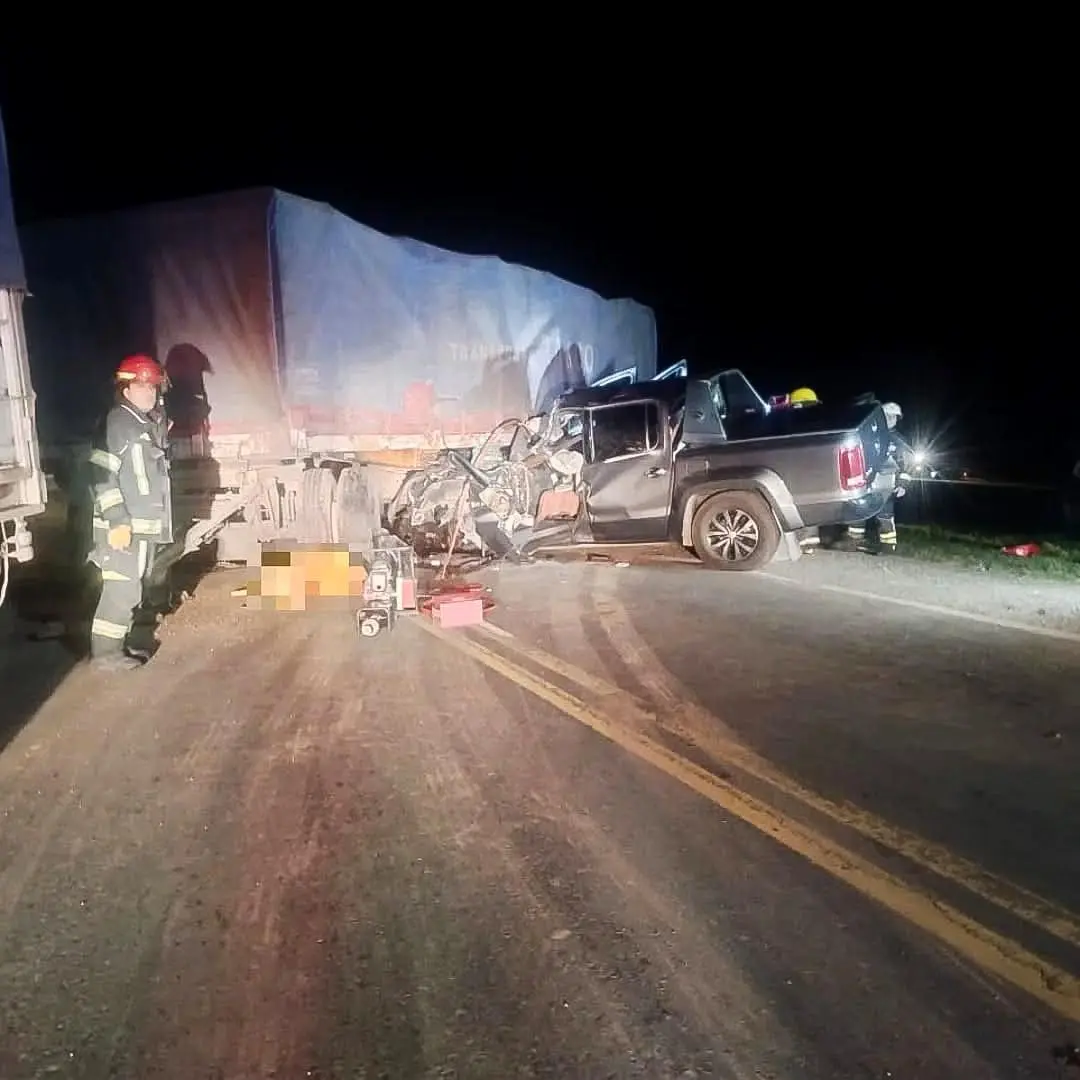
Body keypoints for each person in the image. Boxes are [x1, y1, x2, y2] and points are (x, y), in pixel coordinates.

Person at [86, 354, 173, 670]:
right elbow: (102, 477)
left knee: (132, 588)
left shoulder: (143, 424)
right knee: (121, 590)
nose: (150, 393)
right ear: (125, 389)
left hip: (141, 527)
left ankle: (118, 647)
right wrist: (117, 521)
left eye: (153, 388)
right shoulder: (119, 423)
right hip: (124, 528)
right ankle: (106, 655)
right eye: (142, 387)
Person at [850, 400, 913, 555]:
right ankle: (852, 543)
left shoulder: (900, 441)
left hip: (887, 483)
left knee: (885, 515)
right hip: (866, 481)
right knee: (858, 510)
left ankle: (888, 547)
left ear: (898, 419)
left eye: (894, 417)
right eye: (887, 416)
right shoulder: (868, 436)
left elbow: (908, 465)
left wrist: (903, 484)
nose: (890, 420)